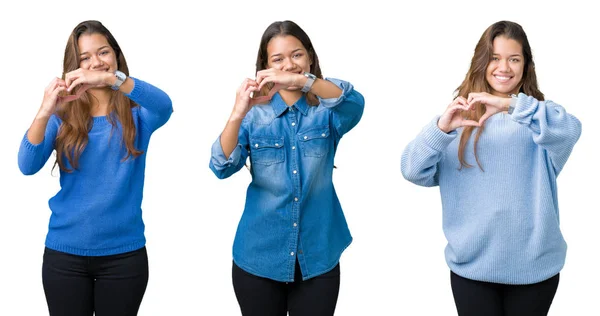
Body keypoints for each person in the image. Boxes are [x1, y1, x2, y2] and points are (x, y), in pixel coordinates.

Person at [401, 20, 581, 316]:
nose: (504, 67)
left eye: (514, 59)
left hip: (535, 269)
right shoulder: (457, 120)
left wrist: (511, 105)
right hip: (472, 269)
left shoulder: (540, 121)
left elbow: (571, 129)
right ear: (482, 62)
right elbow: (412, 170)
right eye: (495, 58)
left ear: (526, 65)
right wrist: (439, 129)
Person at [209, 20, 365, 316]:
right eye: (277, 59)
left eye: (296, 55)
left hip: (319, 255)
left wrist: (303, 82)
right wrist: (239, 111)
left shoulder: (326, 110)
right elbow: (221, 166)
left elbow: (354, 104)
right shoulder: (255, 114)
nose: (288, 65)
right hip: (258, 258)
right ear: (265, 66)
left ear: (309, 56)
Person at [17, 20, 172, 316]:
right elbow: (26, 164)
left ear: (115, 56)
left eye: (103, 52)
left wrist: (114, 81)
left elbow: (165, 106)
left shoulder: (138, 115)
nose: (95, 62)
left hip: (124, 257)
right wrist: (46, 108)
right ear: (74, 66)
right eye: (85, 57)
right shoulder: (62, 115)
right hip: (64, 256)